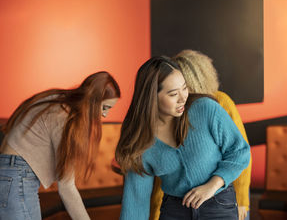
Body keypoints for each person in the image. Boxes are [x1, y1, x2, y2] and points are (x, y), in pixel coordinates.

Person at [116, 56, 250, 220]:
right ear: (151, 98)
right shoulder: (139, 142)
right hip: (174, 211)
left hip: (218, 206)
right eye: (173, 94)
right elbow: (136, 202)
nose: (183, 98)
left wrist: (212, 185)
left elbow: (240, 151)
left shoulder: (206, 109)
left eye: (184, 88)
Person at [0, 71, 120, 220]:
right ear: (92, 100)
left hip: (13, 174)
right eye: (105, 107)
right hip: (18, 176)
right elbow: (66, 187)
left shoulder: (60, 102)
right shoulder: (64, 117)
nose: (105, 115)